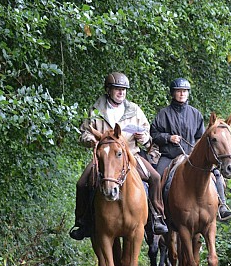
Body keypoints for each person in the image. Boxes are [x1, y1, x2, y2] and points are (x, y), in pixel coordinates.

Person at [69, 72, 168, 240]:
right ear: (108, 90)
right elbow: (84, 132)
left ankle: (156, 217)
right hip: (105, 157)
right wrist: (91, 139)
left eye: (123, 89)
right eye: (117, 89)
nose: (121, 92)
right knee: (82, 183)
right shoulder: (96, 110)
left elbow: (147, 134)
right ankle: (83, 222)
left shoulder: (134, 110)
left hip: (131, 155)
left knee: (155, 177)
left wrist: (144, 138)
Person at [150, 77, 231, 221]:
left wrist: (196, 149)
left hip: (190, 156)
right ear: (173, 93)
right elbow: (154, 134)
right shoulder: (163, 114)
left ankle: (222, 206)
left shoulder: (196, 114)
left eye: (185, 91)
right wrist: (168, 138)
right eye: (178, 91)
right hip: (169, 155)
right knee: (157, 177)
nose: (182, 94)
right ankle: (157, 214)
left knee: (216, 174)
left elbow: (201, 137)